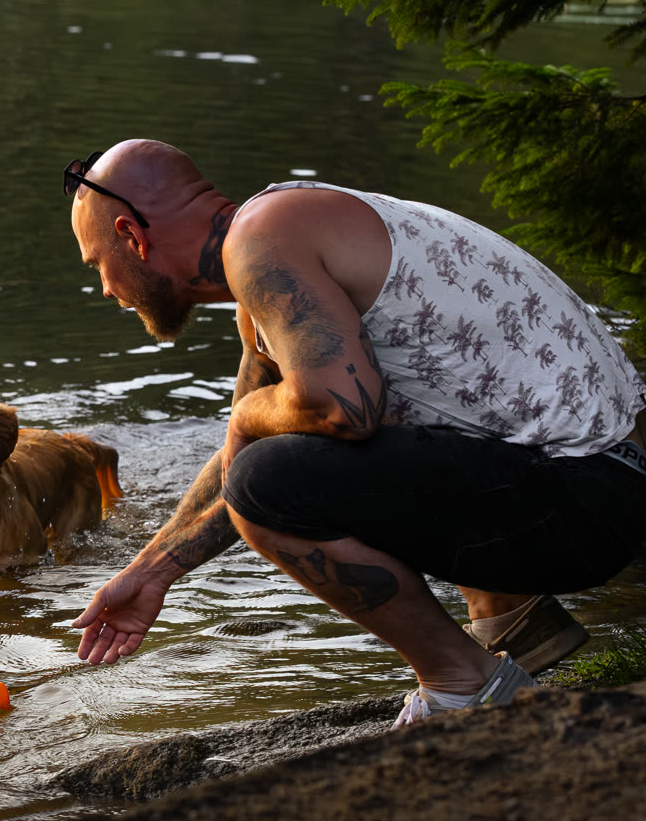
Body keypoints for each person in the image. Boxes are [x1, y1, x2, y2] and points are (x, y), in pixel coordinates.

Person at [65, 139, 646, 726]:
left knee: (272, 478)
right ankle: (515, 625)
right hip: (603, 479)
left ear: (133, 236)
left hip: (591, 493)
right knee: (274, 461)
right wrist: (149, 575)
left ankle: (464, 682)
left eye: (98, 265)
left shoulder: (265, 240)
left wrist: (248, 416)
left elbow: (341, 411)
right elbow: (242, 452)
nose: (107, 289)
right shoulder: (278, 245)